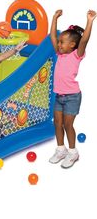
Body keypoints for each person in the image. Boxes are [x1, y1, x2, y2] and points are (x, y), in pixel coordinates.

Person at [49, 10, 96, 168]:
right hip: (59, 96)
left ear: (72, 45)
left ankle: (73, 152)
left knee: (68, 125)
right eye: (60, 42)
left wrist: (89, 21)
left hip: (72, 97)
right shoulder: (60, 54)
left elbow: (84, 40)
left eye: (63, 42)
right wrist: (54, 18)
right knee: (57, 123)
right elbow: (53, 37)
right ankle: (60, 149)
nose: (59, 44)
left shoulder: (77, 55)